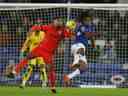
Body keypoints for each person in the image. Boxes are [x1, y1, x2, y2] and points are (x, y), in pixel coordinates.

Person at [6, 17, 73, 94]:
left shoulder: (63, 30)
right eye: (57, 21)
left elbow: (70, 36)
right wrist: (31, 30)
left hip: (49, 54)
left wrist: (70, 29)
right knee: (27, 58)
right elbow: (37, 27)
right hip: (40, 49)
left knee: (50, 69)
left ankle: (52, 86)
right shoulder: (49, 27)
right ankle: (14, 73)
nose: (58, 22)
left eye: (60, 21)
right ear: (54, 21)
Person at [64, 12, 99, 85]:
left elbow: (91, 37)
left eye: (89, 20)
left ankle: (68, 77)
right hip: (76, 46)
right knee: (81, 48)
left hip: (81, 49)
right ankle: (75, 62)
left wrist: (94, 46)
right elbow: (88, 34)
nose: (88, 21)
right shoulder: (81, 26)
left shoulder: (90, 28)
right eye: (86, 20)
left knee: (84, 68)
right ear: (83, 21)